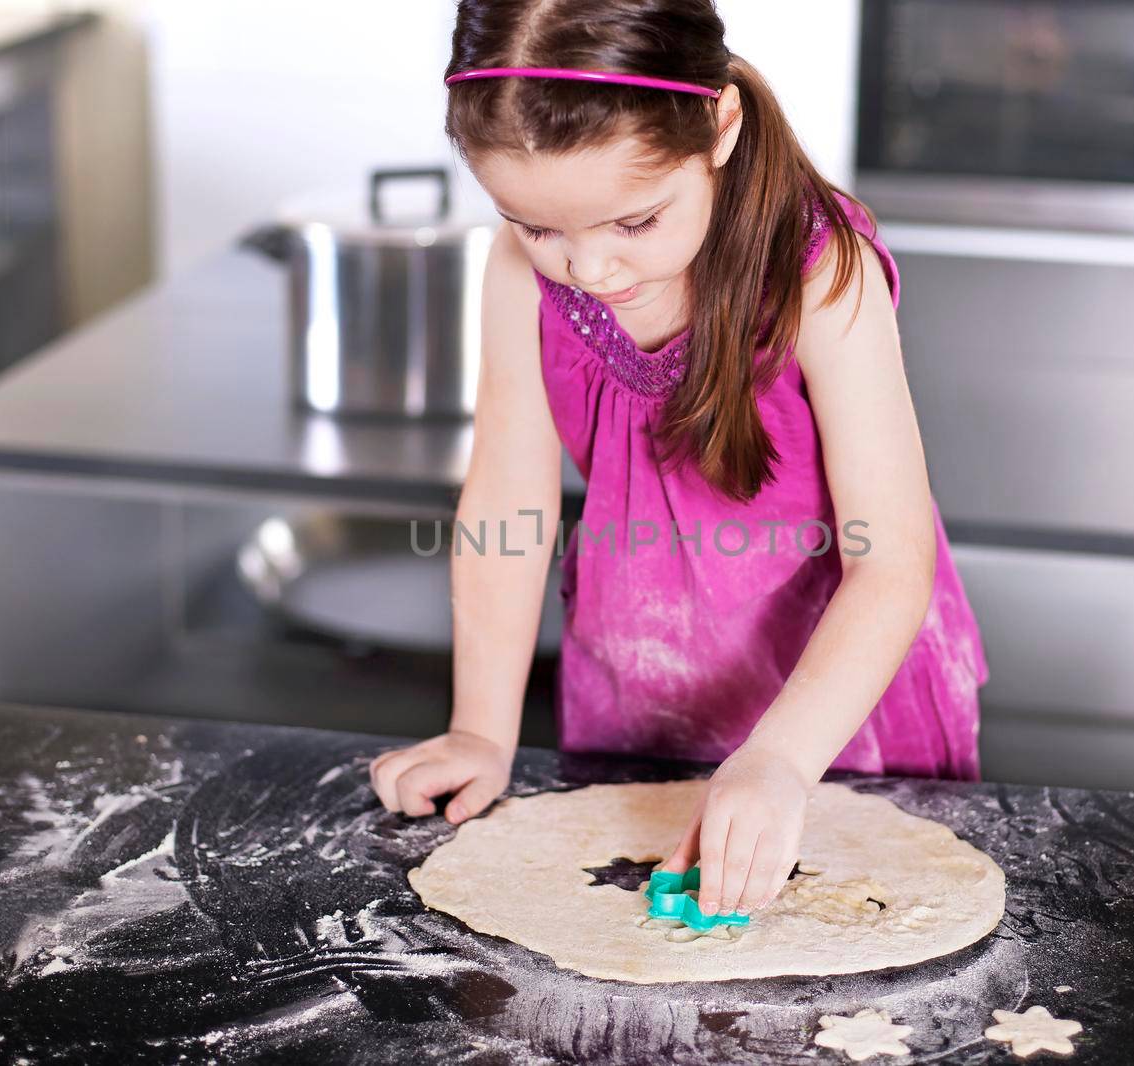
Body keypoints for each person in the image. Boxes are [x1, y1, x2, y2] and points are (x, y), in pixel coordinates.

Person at [372, 0, 989, 922]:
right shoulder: (521, 275)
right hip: (638, 701)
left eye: (635, 221)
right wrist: (480, 729)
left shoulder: (820, 271)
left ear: (720, 128)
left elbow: (890, 559)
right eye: (539, 227)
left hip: (838, 720)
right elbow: (508, 507)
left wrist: (780, 760)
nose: (587, 268)